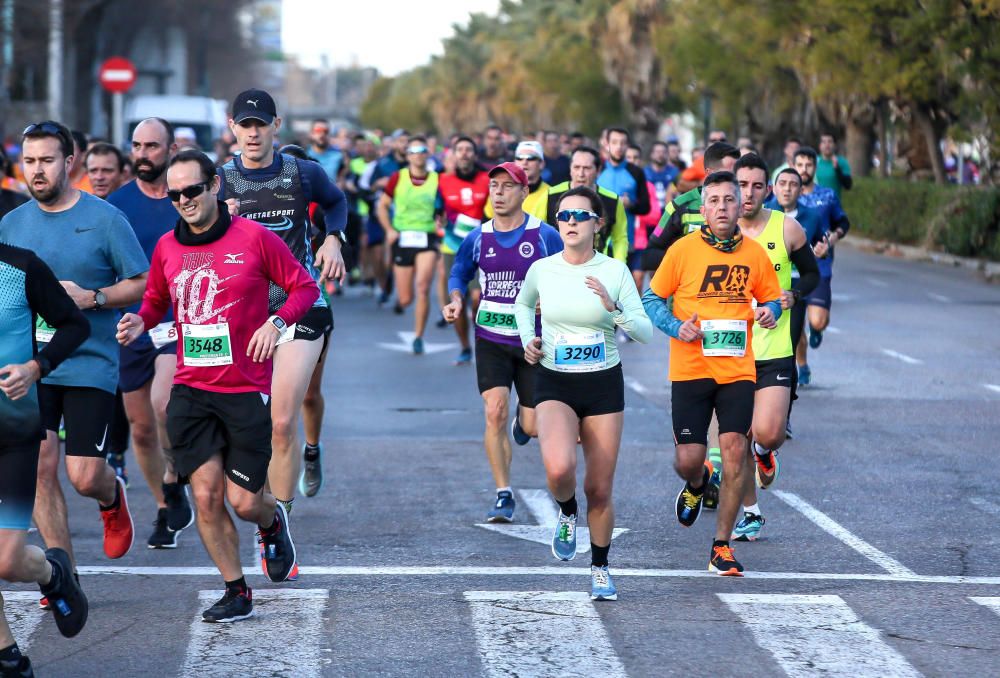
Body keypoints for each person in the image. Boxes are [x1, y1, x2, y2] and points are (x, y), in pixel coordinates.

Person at [117, 150, 318, 622]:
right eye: (174, 194)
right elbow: (156, 300)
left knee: (245, 502)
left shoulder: (255, 238)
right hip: (192, 389)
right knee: (206, 496)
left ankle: (272, 521)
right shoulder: (167, 246)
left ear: (214, 187)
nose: (183, 200)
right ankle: (235, 590)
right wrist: (139, 321)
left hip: (245, 388)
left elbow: (304, 288)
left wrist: (276, 322)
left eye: (192, 190)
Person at [0, 121, 147, 575]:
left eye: (46, 160)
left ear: (69, 163)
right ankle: (63, 572)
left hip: (88, 361)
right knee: (40, 467)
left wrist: (93, 297)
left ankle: (110, 494)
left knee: (84, 475)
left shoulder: (104, 219)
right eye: (29, 162)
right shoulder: (11, 223)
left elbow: (140, 282)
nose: (37, 171)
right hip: (30, 367)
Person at [641, 170, 783, 576]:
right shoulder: (683, 250)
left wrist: (769, 312)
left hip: (738, 370)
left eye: (729, 200)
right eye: (714, 201)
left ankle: (721, 546)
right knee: (687, 459)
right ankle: (698, 481)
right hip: (691, 369)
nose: (722, 207)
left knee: (736, 452)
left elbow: (773, 298)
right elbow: (652, 298)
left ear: (741, 206)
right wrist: (675, 326)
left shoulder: (754, 254)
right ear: (703, 208)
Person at [515, 186, 651, 600]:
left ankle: (600, 567)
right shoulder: (543, 268)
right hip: (555, 380)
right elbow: (523, 306)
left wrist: (614, 308)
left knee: (600, 488)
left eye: (579, 215)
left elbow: (644, 332)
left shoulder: (615, 271)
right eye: (564, 215)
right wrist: (528, 340)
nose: (570, 221)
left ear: (598, 223)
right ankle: (567, 511)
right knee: (558, 471)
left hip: (603, 382)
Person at [219, 89, 347, 513]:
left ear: (276, 125)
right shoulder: (218, 181)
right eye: (244, 125)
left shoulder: (302, 172)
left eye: (260, 124)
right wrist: (220, 221)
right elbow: (191, 241)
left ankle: (280, 525)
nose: (252, 134)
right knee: (243, 419)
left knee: (283, 418)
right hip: (244, 312)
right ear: (232, 128)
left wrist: (332, 239)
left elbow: (336, 201)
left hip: (301, 300)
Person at [444, 162, 563, 522]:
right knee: (493, 410)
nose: (498, 192)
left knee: (531, 426)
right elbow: (459, 271)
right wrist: (456, 298)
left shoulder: (544, 235)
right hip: (491, 336)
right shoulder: (478, 237)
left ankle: (521, 425)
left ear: (524, 193)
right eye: (494, 186)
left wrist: (553, 298)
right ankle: (503, 493)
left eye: (507, 187)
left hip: (532, 341)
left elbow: (566, 271)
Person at [0, 242, 92, 676]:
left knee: (7, 560)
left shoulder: (19, 267)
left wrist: (35, 368)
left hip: (12, 432)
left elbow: (74, 325)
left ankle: (54, 572)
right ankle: (8, 657)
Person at [108, 117, 196, 548]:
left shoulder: (188, 200)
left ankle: (174, 476)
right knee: (140, 429)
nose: (142, 155)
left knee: (164, 403)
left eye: (152, 147)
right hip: (131, 325)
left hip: (178, 322)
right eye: (137, 146)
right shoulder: (117, 205)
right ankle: (166, 505)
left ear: (171, 150)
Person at [725, 154, 818, 542]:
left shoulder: (786, 228)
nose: (748, 193)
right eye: (741, 185)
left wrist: (793, 295)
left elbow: (812, 273)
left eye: (756, 186)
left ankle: (766, 453)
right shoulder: (717, 233)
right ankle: (751, 511)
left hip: (775, 349)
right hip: (731, 352)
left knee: (770, 433)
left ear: (768, 190)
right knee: (738, 438)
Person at [766, 167, 828, 411]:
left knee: (786, 351)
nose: (787, 188)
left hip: (792, 291)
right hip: (764, 287)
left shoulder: (811, 217)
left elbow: (820, 247)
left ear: (801, 190)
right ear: (774, 187)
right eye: (783, 183)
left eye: (793, 184)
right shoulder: (764, 213)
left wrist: (823, 251)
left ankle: (785, 413)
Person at [787, 147, 850, 385]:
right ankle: (801, 366)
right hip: (789, 270)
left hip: (819, 266)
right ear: (792, 164)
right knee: (795, 325)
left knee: (817, 321)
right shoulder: (785, 194)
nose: (804, 169)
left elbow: (843, 221)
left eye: (808, 165)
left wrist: (833, 238)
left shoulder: (828, 195)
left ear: (815, 168)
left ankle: (818, 329)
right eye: (800, 164)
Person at [376, 135, 442, 355]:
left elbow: (444, 208)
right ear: (407, 156)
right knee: (406, 298)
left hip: (427, 237)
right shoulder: (398, 177)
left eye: (422, 150)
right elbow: (382, 206)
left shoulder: (437, 179)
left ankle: (419, 336)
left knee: (423, 287)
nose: (418, 155)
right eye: (413, 151)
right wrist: (389, 230)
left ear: (428, 153)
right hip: (402, 238)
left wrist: (441, 222)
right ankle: (400, 300)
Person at [641, 142, 741, 272]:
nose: (736, 179)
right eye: (730, 174)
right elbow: (649, 256)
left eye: (738, 174)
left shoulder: (744, 206)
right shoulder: (680, 206)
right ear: (709, 173)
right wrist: (687, 259)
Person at [438, 136, 490, 365]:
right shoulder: (443, 181)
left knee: (478, 297)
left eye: (469, 150)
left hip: (483, 247)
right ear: (454, 154)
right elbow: (436, 208)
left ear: (475, 155)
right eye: (460, 150)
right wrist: (438, 219)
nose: (465, 153)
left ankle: (483, 341)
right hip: (452, 247)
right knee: (457, 298)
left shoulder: (486, 179)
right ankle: (465, 346)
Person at [546, 147, 628, 263]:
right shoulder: (550, 195)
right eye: (576, 167)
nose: (581, 174)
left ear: (598, 170)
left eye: (587, 168)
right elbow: (539, 232)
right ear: (570, 169)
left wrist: (620, 265)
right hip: (558, 264)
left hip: (598, 265)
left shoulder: (613, 200)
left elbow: (620, 238)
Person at [598, 127, 651, 276]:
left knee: (620, 287)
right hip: (597, 238)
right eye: (614, 142)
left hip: (625, 239)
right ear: (606, 144)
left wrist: (630, 204)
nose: (619, 147)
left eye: (622, 143)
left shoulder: (636, 172)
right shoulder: (598, 169)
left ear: (627, 146)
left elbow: (646, 207)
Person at [485, 141, 550, 222]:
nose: (524, 162)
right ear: (515, 162)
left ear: (541, 164)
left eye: (531, 158)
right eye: (520, 158)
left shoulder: (551, 194)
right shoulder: (499, 191)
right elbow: (486, 226)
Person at [308, 119, 346, 186]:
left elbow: (341, 179)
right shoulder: (301, 156)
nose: (322, 134)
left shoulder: (338, 157)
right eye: (318, 130)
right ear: (311, 134)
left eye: (326, 131)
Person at [816, 133, 852, 198]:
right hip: (816, 205)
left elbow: (848, 186)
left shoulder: (841, 162)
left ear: (834, 145)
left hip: (834, 205)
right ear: (820, 146)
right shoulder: (814, 161)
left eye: (830, 141)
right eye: (824, 142)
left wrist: (837, 169)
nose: (827, 145)